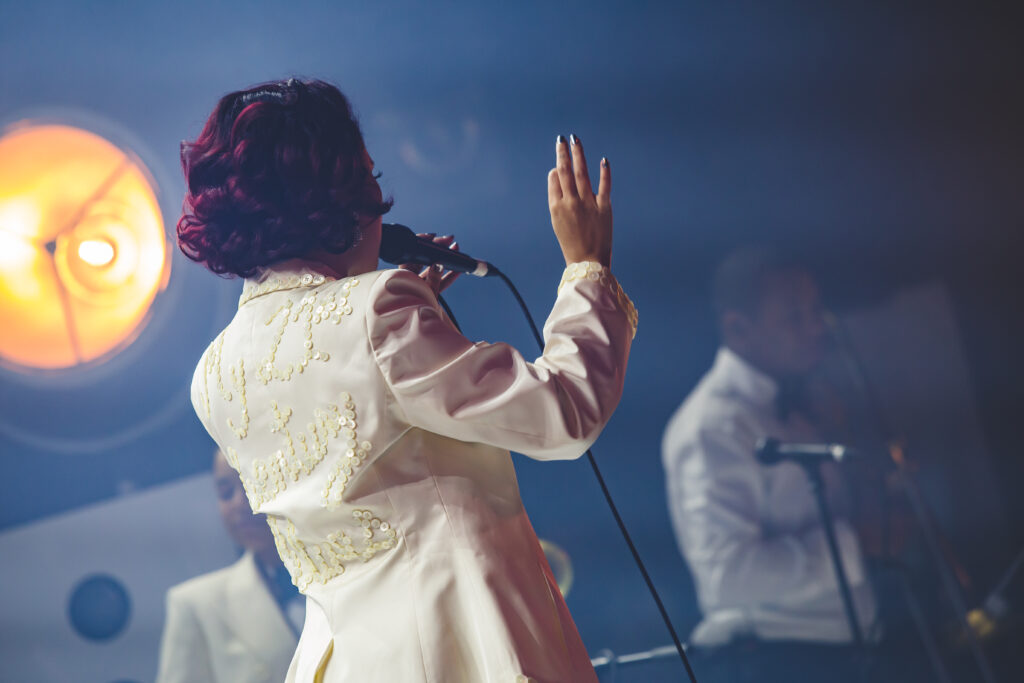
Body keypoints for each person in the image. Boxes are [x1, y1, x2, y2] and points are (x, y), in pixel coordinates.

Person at [177, 78, 636, 682]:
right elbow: (565, 413)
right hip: (454, 651)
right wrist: (587, 269)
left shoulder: (213, 371)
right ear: (337, 198)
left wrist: (412, 318)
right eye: (367, 176)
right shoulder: (376, 311)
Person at [661, 248, 877, 683]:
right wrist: (854, 545)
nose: (817, 328)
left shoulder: (797, 399)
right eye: (796, 318)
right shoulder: (711, 426)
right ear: (738, 329)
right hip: (779, 662)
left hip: (840, 654)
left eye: (816, 311)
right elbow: (728, 577)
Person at [156, 449, 303, 683]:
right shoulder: (196, 604)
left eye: (253, 485)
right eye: (225, 493)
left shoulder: (354, 569)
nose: (239, 503)